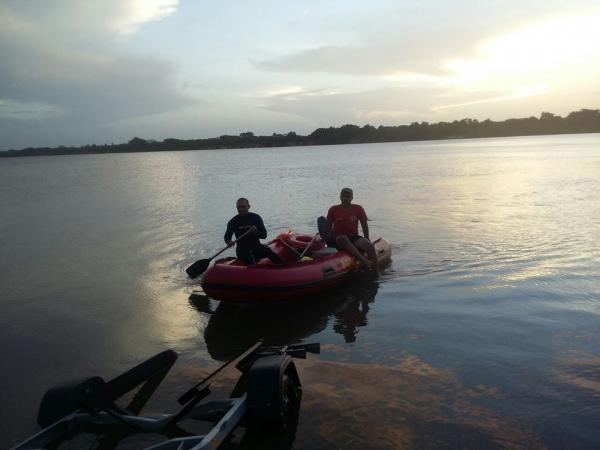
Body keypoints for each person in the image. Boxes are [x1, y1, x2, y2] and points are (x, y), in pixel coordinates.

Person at [323, 188, 378, 271]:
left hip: (353, 237)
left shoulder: (358, 208)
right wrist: (323, 239)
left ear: (352, 198)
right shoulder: (333, 209)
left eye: (348, 196)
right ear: (340, 197)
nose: (345, 198)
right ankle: (364, 261)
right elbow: (328, 226)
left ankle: (375, 271)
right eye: (343, 196)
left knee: (369, 246)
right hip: (339, 238)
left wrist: (366, 238)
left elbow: (364, 225)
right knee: (342, 238)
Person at [224, 198, 283, 265]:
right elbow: (227, 237)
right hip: (242, 250)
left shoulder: (256, 218)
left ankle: (284, 269)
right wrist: (228, 242)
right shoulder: (233, 222)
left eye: (243, 207)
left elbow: (264, 235)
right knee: (250, 257)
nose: (241, 209)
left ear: (248, 207)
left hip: (256, 247)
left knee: (269, 252)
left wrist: (256, 232)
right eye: (239, 207)